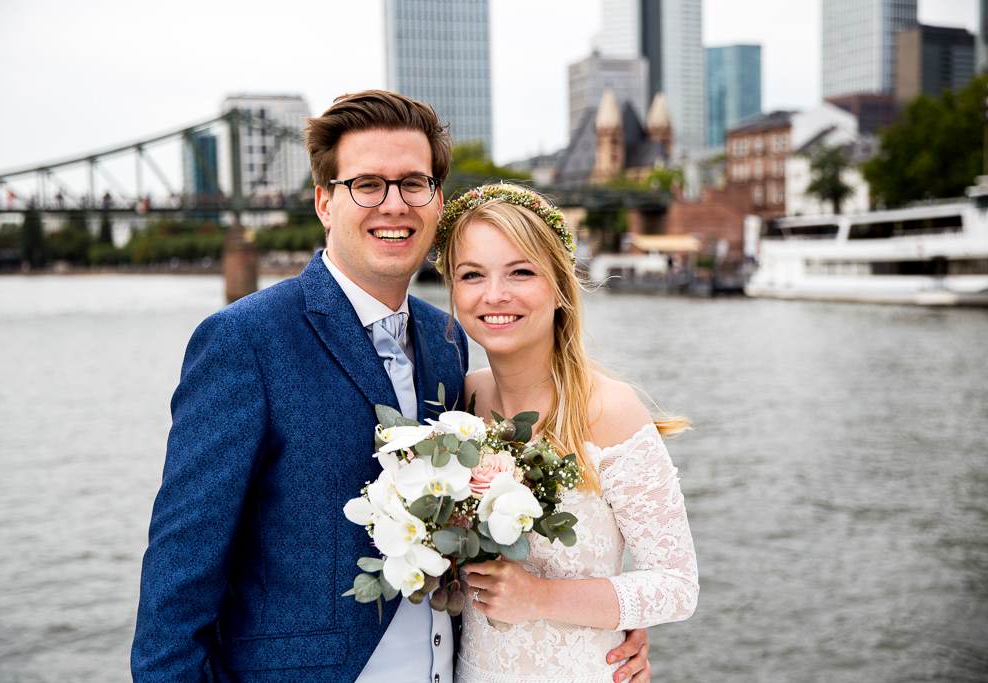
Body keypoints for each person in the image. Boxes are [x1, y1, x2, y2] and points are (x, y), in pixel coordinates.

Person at [131, 91, 653, 683]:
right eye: (367, 185)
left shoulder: (449, 340)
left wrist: (610, 620)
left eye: (413, 183)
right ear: (325, 202)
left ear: (435, 201)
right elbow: (179, 581)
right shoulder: (244, 341)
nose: (393, 204)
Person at [436, 184, 699, 683]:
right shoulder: (460, 403)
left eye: (521, 271)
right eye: (473, 275)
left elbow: (677, 587)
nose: (495, 294)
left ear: (559, 286)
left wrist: (541, 597)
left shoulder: (610, 409)